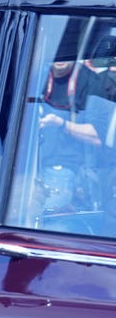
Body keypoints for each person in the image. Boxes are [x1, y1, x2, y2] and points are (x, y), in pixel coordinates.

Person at [37, 60, 105, 212]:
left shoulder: (90, 80)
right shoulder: (35, 74)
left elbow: (97, 136)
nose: (60, 58)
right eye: (57, 51)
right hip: (27, 166)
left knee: (45, 213)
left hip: (67, 168)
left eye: (66, 51)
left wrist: (61, 124)